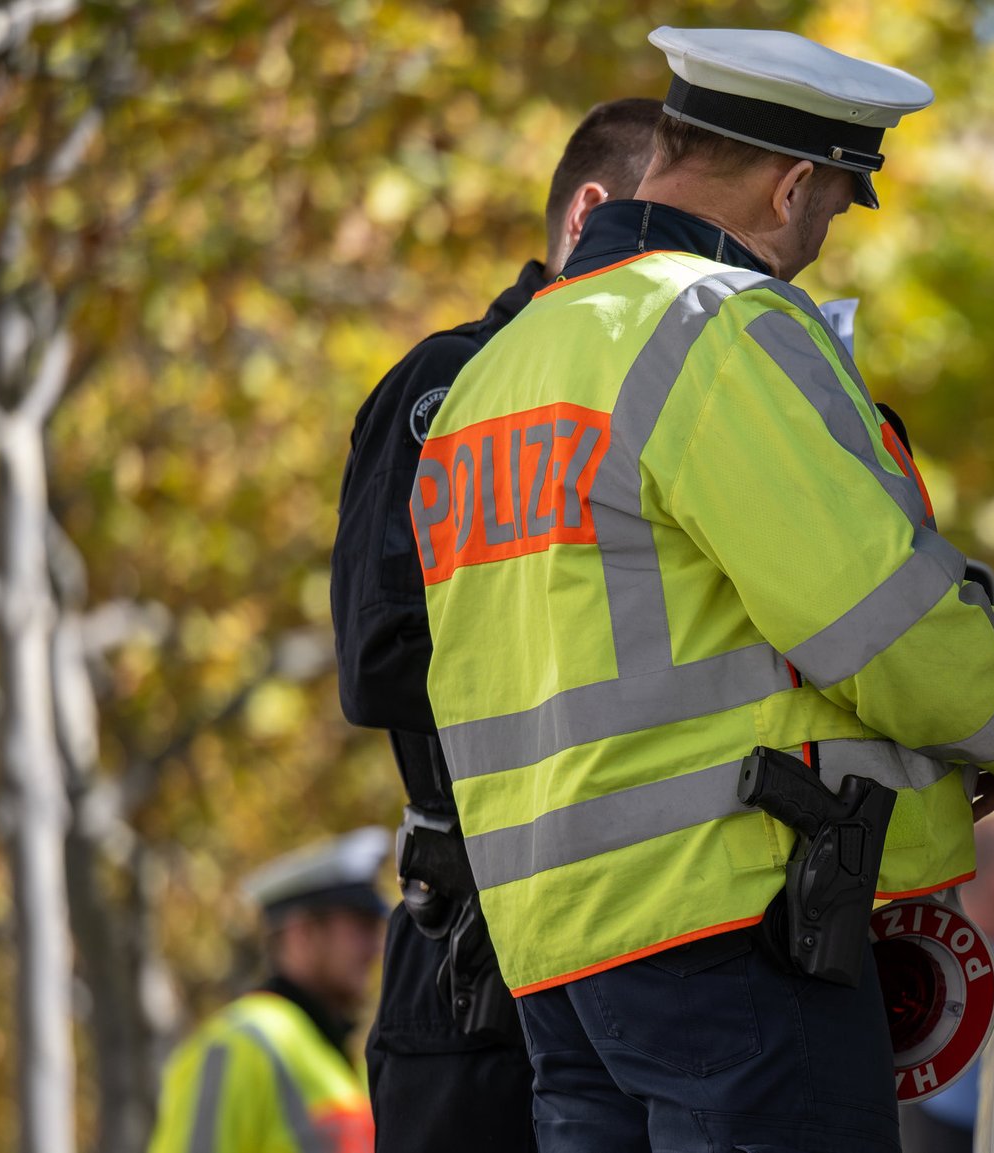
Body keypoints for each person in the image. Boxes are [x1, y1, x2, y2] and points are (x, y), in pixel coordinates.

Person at [410, 26, 994, 1152]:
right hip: (733, 933)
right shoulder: (715, 325)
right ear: (791, 183)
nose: (816, 244)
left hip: (554, 956)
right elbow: (877, 620)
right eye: (830, 208)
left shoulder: (492, 376)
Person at [329, 96, 666, 1153]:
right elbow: (380, 657)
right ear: (590, 216)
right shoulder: (450, 383)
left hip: (655, 938)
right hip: (481, 955)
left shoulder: (675, 384)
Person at [148, 828, 391, 1153]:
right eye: (360, 928)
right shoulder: (236, 1046)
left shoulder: (336, 1054)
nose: (375, 947)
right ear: (303, 934)